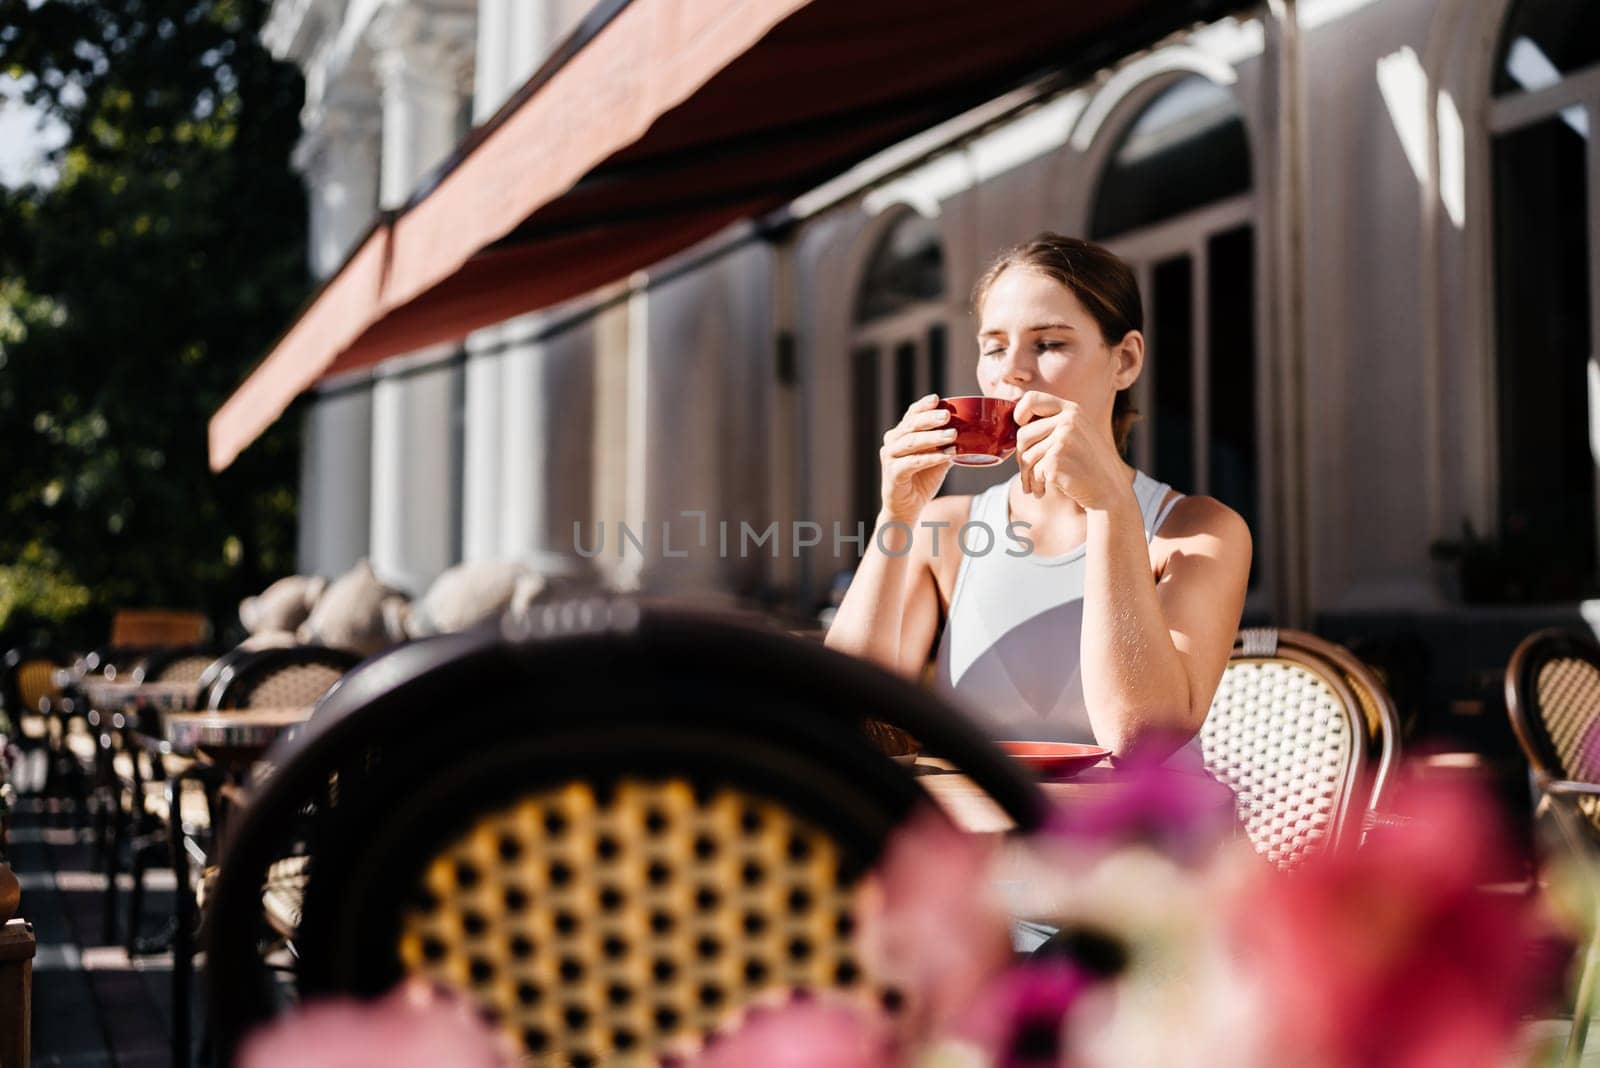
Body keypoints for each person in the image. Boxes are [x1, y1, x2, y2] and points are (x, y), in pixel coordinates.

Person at [825, 233, 1251, 765]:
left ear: (1125, 361)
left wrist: (1112, 507)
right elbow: (840, 714)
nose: (1012, 371)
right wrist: (898, 512)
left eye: (1049, 344)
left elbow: (1140, 738)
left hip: (1147, 844)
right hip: (989, 837)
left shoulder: (1196, 531)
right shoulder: (947, 532)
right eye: (995, 346)